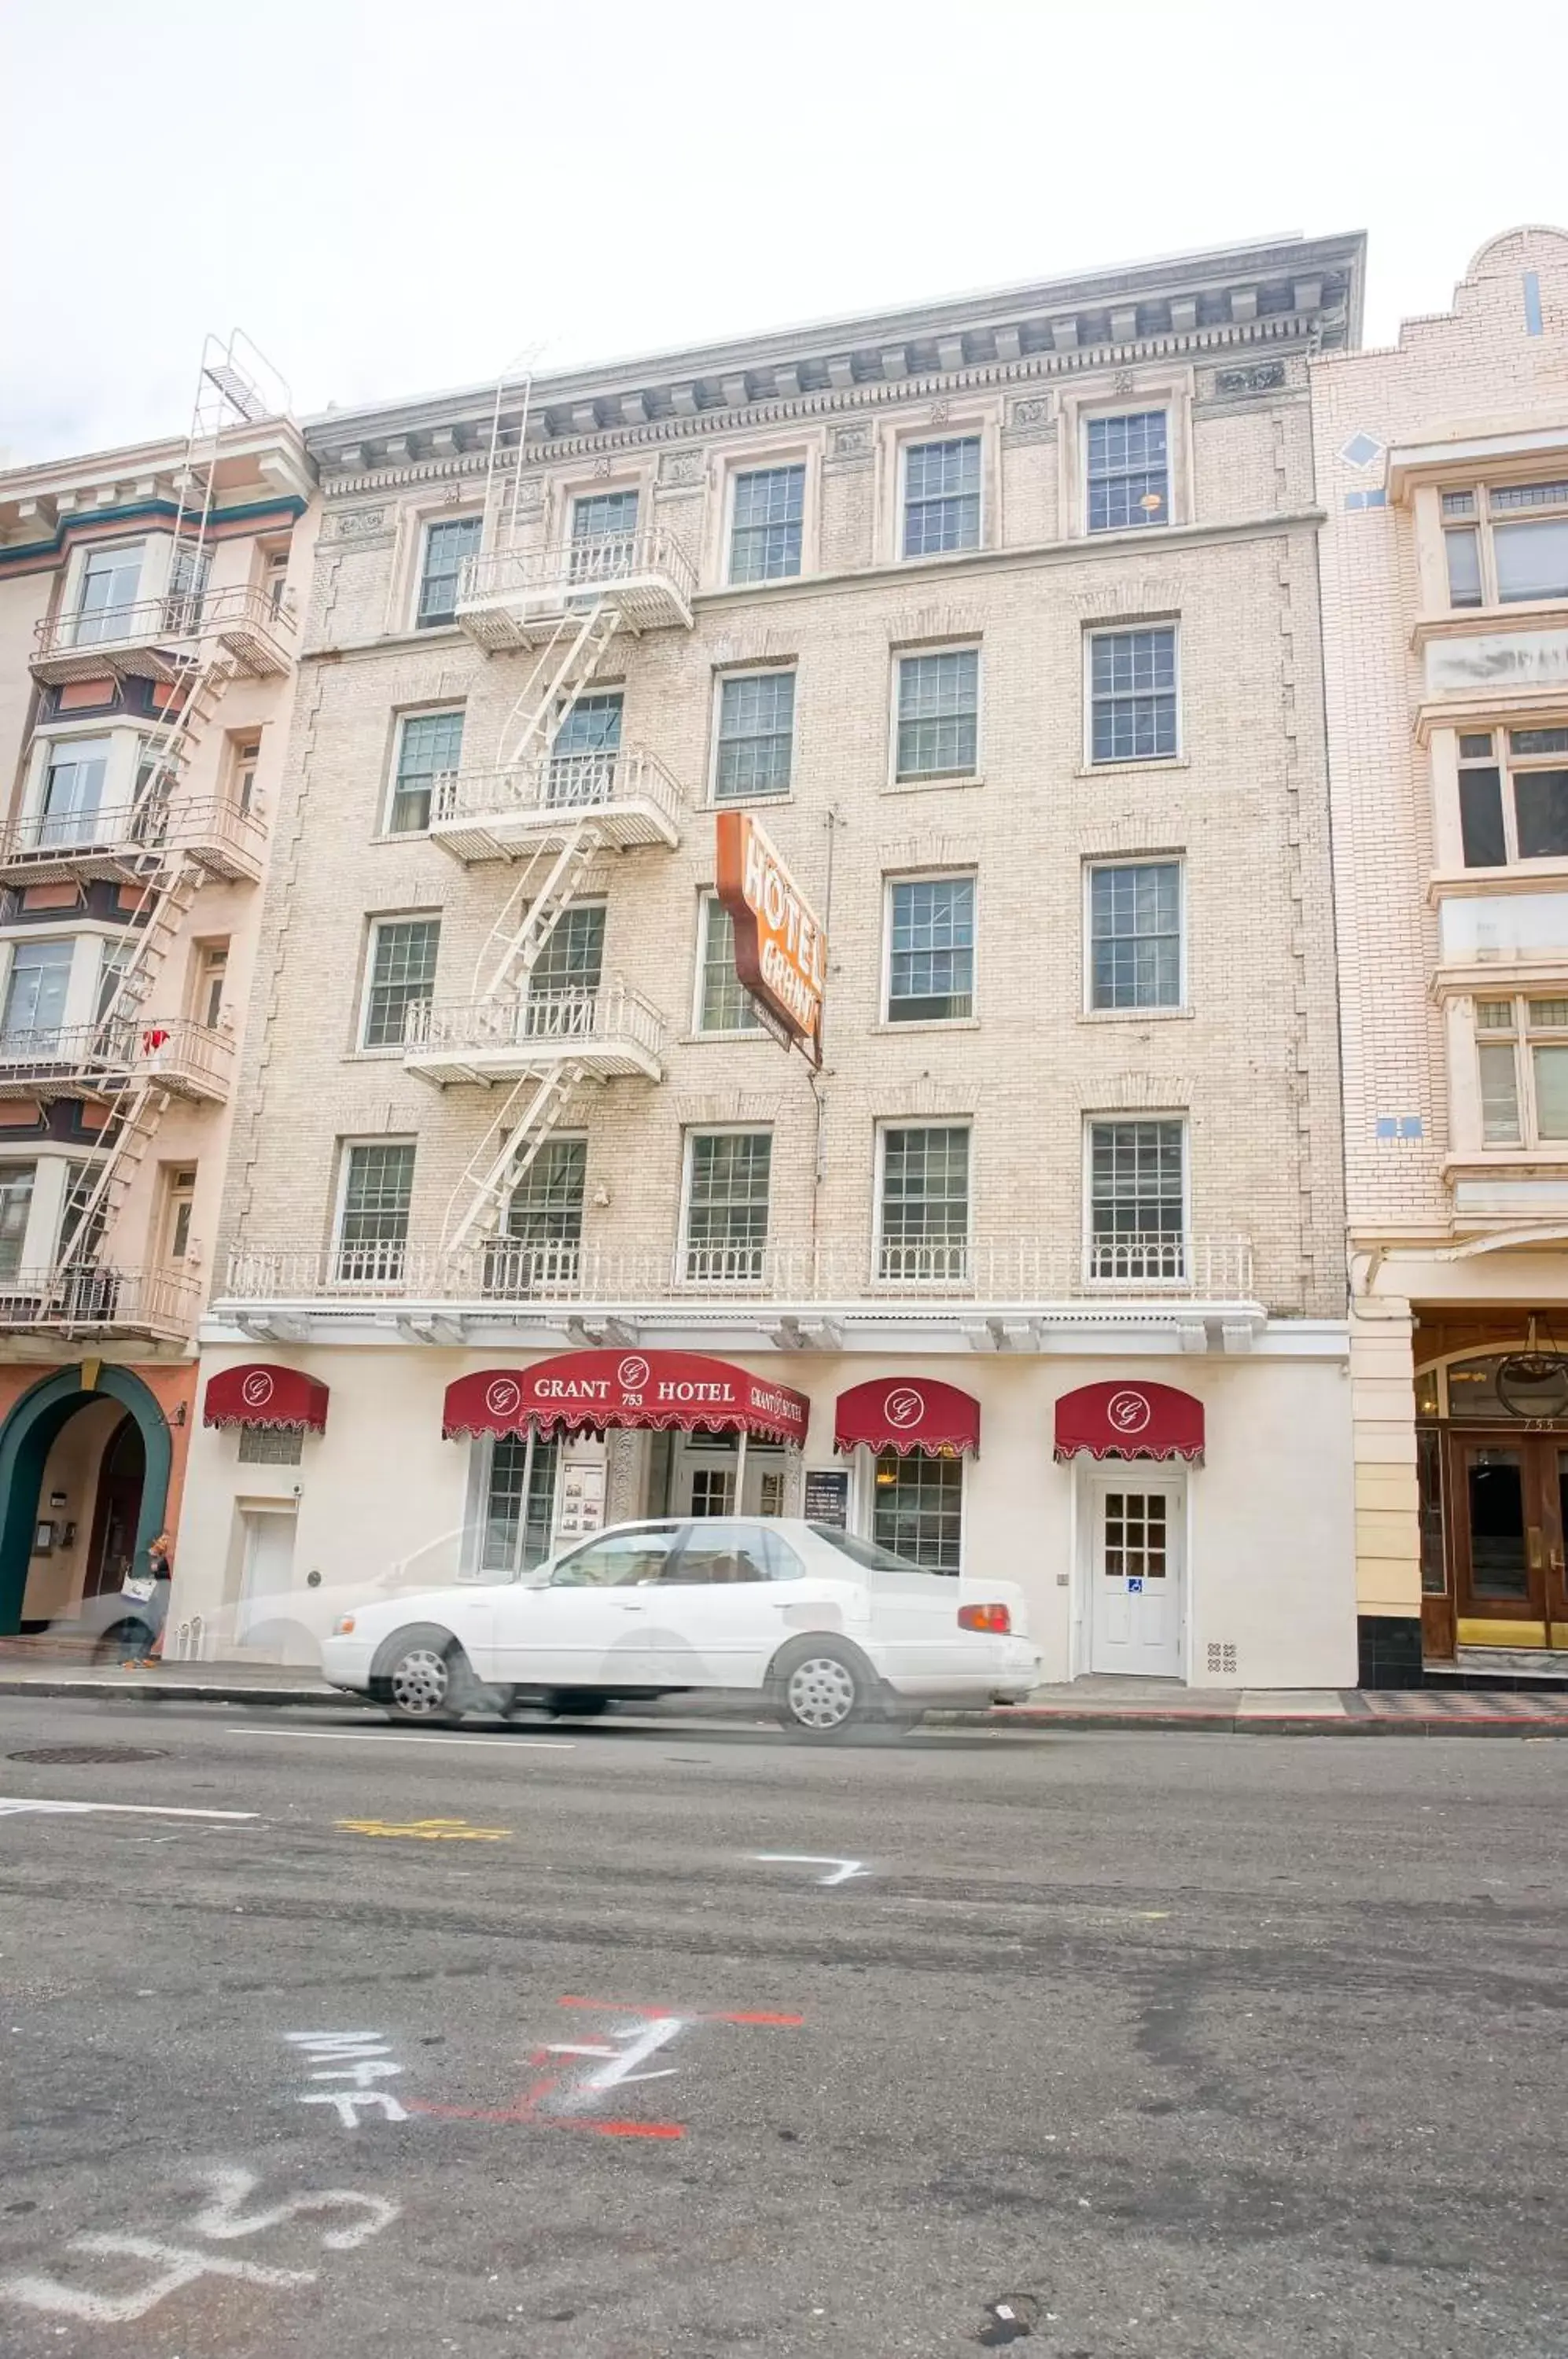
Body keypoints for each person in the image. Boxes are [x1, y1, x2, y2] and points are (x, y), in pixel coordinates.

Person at [120, 1532, 173, 1671]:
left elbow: (166, 1576)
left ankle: (143, 1655)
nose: (165, 1544)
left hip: (155, 1598)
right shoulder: (143, 1556)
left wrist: (157, 1570)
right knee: (137, 1628)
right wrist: (152, 1569)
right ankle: (127, 1658)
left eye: (167, 1541)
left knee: (153, 1627)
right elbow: (139, 1572)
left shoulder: (162, 1560)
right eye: (163, 1540)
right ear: (154, 1541)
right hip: (139, 1598)